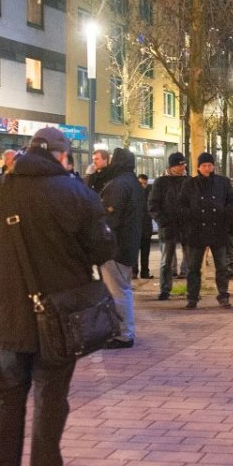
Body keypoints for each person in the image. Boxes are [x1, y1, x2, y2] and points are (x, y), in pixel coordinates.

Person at [0, 126, 113, 466]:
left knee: (8, 393)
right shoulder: (75, 193)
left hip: (7, 310)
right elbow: (102, 249)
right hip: (58, 314)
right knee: (51, 395)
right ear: (61, 156)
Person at [178, 152, 233, 309]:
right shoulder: (190, 184)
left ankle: (223, 295)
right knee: (193, 267)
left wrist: (224, 212)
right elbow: (181, 205)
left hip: (218, 229)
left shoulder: (223, 182)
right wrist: (191, 214)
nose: (207, 168)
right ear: (198, 167)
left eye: (209, 165)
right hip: (197, 231)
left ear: (213, 166)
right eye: (204, 165)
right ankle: (192, 297)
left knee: (221, 266)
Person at [99, 147, 145, 345]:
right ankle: (122, 331)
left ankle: (123, 334)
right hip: (128, 244)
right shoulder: (133, 182)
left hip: (115, 246)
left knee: (117, 290)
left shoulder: (118, 185)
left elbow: (110, 218)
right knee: (122, 288)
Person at [149, 152, 188, 300]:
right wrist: (162, 221)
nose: (183, 167)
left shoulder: (188, 181)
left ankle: (192, 289)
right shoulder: (161, 182)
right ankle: (165, 288)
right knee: (166, 260)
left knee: (190, 259)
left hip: (186, 226)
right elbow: (153, 205)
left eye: (184, 164)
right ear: (172, 166)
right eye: (180, 165)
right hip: (168, 226)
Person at [136, 174, 154, 278]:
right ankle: (135, 272)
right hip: (136, 228)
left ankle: (144, 272)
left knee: (145, 252)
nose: (143, 186)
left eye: (145, 184)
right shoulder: (134, 194)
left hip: (146, 227)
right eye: (141, 183)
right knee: (135, 253)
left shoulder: (149, 194)